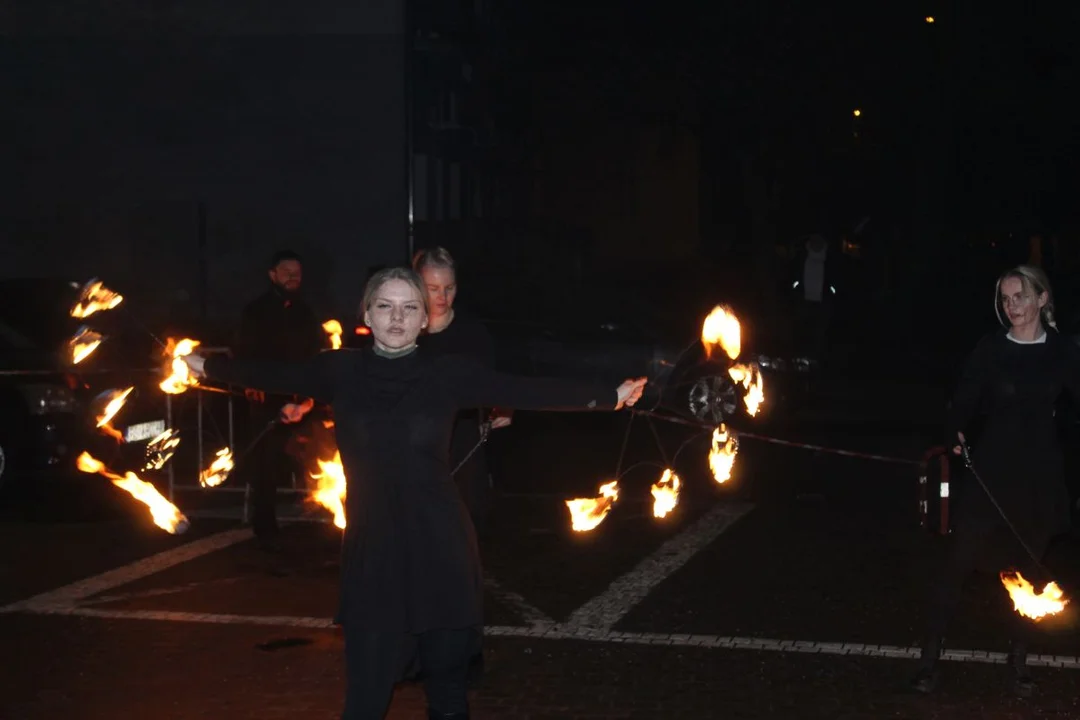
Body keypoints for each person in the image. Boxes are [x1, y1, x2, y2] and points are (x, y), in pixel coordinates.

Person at [185, 267, 646, 720]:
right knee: (366, 698)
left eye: (410, 308)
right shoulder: (339, 370)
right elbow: (269, 373)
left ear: (425, 319)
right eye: (385, 306)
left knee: (446, 697)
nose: (397, 318)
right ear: (366, 312)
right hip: (373, 552)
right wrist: (206, 364)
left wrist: (608, 395)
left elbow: (524, 388)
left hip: (440, 548)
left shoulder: (447, 374)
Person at [911, 265, 1079, 697]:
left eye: (1020, 296)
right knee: (956, 565)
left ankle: (1019, 657)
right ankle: (929, 658)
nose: (1012, 306)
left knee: (1028, 572)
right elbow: (963, 398)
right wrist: (956, 431)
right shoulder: (991, 348)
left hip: (1040, 480)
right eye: (1006, 299)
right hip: (991, 473)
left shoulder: (1063, 351)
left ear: (1042, 299)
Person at [412, 247, 509, 537]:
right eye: (433, 288)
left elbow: (496, 382)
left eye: (449, 288)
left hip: (464, 442)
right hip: (415, 445)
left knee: (467, 522)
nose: (442, 297)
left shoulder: (472, 333)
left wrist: (505, 408)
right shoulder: (404, 331)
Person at [235, 249, 327, 552]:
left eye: (297, 271)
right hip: (267, 396)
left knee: (320, 452)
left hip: (302, 397)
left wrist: (313, 393)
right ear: (272, 274)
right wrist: (249, 382)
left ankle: (331, 517)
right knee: (267, 462)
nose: (293, 276)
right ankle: (265, 525)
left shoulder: (305, 312)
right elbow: (242, 351)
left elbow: (316, 352)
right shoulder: (255, 311)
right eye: (286, 270)